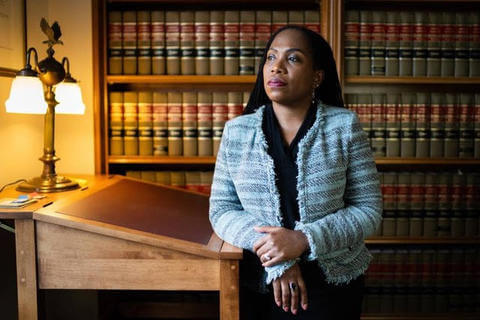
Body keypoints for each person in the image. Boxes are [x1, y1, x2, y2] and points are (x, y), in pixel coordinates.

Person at [209, 25, 382, 320]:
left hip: (332, 285)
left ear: (317, 76)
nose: (276, 66)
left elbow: (368, 210)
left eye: (293, 59)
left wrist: (302, 240)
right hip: (259, 282)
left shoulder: (344, 127)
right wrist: (278, 257)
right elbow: (222, 210)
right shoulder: (236, 132)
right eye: (270, 57)